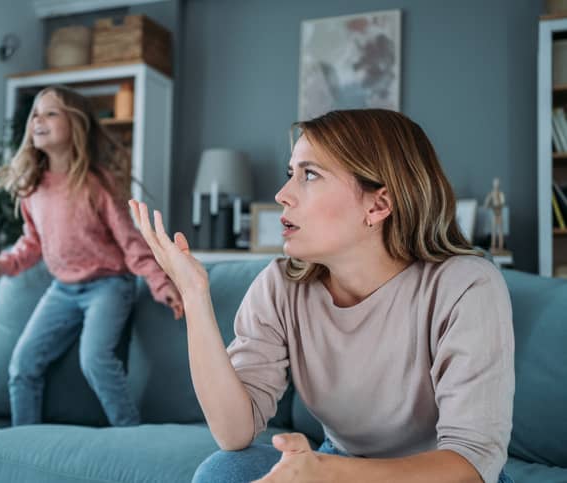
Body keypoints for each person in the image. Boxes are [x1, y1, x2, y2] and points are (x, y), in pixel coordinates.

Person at [129, 109, 514, 483]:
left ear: (378, 205)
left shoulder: (465, 285)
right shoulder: (281, 286)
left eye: (309, 174)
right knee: (224, 472)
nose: (282, 194)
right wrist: (195, 296)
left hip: (433, 474)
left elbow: (470, 465)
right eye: (290, 174)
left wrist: (326, 473)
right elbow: (233, 433)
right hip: (338, 463)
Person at [0, 85, 183, 427]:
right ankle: (22, 441)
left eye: (51, 112)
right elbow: (32, 242)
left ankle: (130, 432)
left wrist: (162, 285)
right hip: (63, 290)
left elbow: (132, 244)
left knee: (95, 359)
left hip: (109, 286)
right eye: (36, 114)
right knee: (22, 365)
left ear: (76, 125)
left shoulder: (97, 184)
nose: (39, 119)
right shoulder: (33, 188)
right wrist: (4, 264)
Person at [484, 177, 507, 253]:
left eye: (497, 183)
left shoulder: (500, 194)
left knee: (500, 230)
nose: (496, 185)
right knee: (493, 230)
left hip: (499, 214)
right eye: (495, 183)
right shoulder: (491, 194)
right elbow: (486, 204)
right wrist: (488, 204)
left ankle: (501, 246)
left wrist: (497, 205)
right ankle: (493, 245)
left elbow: (502, 202)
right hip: (494, 214)